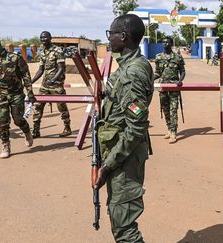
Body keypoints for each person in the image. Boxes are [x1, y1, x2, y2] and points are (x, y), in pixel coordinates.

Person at [93, 14, 154, 242]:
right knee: (119, 217)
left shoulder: (131, 74)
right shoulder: (134, 65)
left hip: (124, 156)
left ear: (124, 37)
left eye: (111, 34)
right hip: (121, 152)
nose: (109, 39)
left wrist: (108, 165)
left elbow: (136, 126)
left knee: (124, 227)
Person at [0, 35, 35, 158]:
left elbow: (26, 76)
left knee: (18, 119)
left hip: (16, 94)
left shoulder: (15, 57)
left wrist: (30, 92)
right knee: (3, 122)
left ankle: (27, 131)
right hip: (0, 96)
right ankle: (5, 145)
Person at [31, 31, 71, 138]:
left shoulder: (58, 50)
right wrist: (31, 81)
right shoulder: (42, 52)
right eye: (41, 38)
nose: (43, 39)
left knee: (61, 106)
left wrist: (53, 80)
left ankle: (67, 128)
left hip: (56, 84)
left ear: (50, 38)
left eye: (45, 37)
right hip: (45, 84)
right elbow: (40, 70)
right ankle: (36, 130)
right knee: (38, 106)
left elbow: (62, 68)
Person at [154, 36, 186, 144]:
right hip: (163, 88)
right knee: (165, 110)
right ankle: (169, 128)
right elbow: (158, 73)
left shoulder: (177, 57)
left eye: (167, 42)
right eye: (163, 42)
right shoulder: (158, 57)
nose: (165, 44)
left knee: (173, 110)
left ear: (171, 44)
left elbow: (183, 72)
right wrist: (150, 78)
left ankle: (173, 132)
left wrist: (180, 80)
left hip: (174, 88)